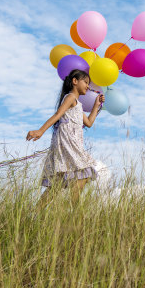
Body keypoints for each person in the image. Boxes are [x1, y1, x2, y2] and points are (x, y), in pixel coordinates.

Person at [26, 69, 105, 207]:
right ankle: (73, 210)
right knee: (84, 173)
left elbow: (89, 123)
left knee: (58, 183)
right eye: (85, 82)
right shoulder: (70, 98)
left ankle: (36, 212)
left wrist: (96, 105)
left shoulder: (78, 105)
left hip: (72, 144)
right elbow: (58, 114)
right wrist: (40, 131)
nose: (88, 86)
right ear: (75, 81)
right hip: (67, 143)